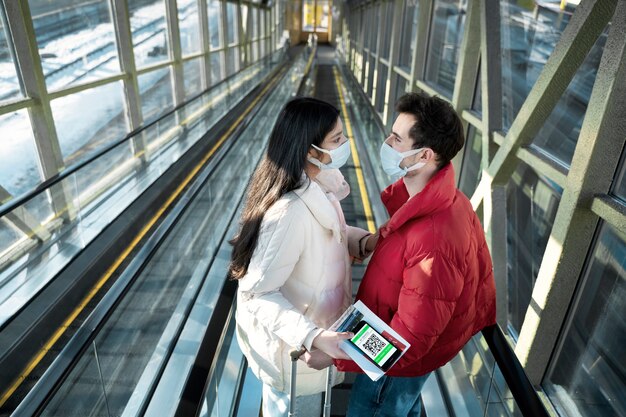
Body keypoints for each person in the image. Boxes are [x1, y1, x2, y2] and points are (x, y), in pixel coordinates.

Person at [335, 92, 496, 417]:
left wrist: (335, 354)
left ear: (424, 155)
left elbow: (404, 346)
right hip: (418, 355)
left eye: (396, 139)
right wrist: (372, 244)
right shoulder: (451, 200)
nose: (387, 143)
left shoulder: (434, 239)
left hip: (392, 370)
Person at [229, 97, 377, 417]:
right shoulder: (289, 212)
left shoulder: (319, 183)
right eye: (337, 140)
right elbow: (259, 293)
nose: (344, 145)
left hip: (316, 336)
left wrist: (362, 242)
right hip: (295, 353)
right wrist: (313, 337)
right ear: (311, 151)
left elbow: (328, 230)